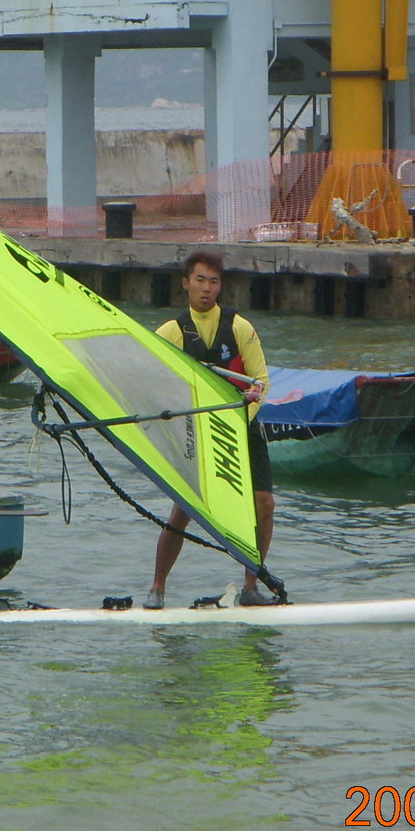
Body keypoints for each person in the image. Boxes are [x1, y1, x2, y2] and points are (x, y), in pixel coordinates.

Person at [145, 250, 278, 609]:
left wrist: (237, 421)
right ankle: (157, 587)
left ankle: (251, 586)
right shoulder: (170, 333)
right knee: (184, 508)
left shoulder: (240, 328)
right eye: (200, 280)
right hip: (196, 429)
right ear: (185, 284)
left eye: (214, 282)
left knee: (263, 503)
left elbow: (260, 382)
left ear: (221, 286)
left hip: (241, 425)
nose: (206, 288)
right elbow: (149, 381)